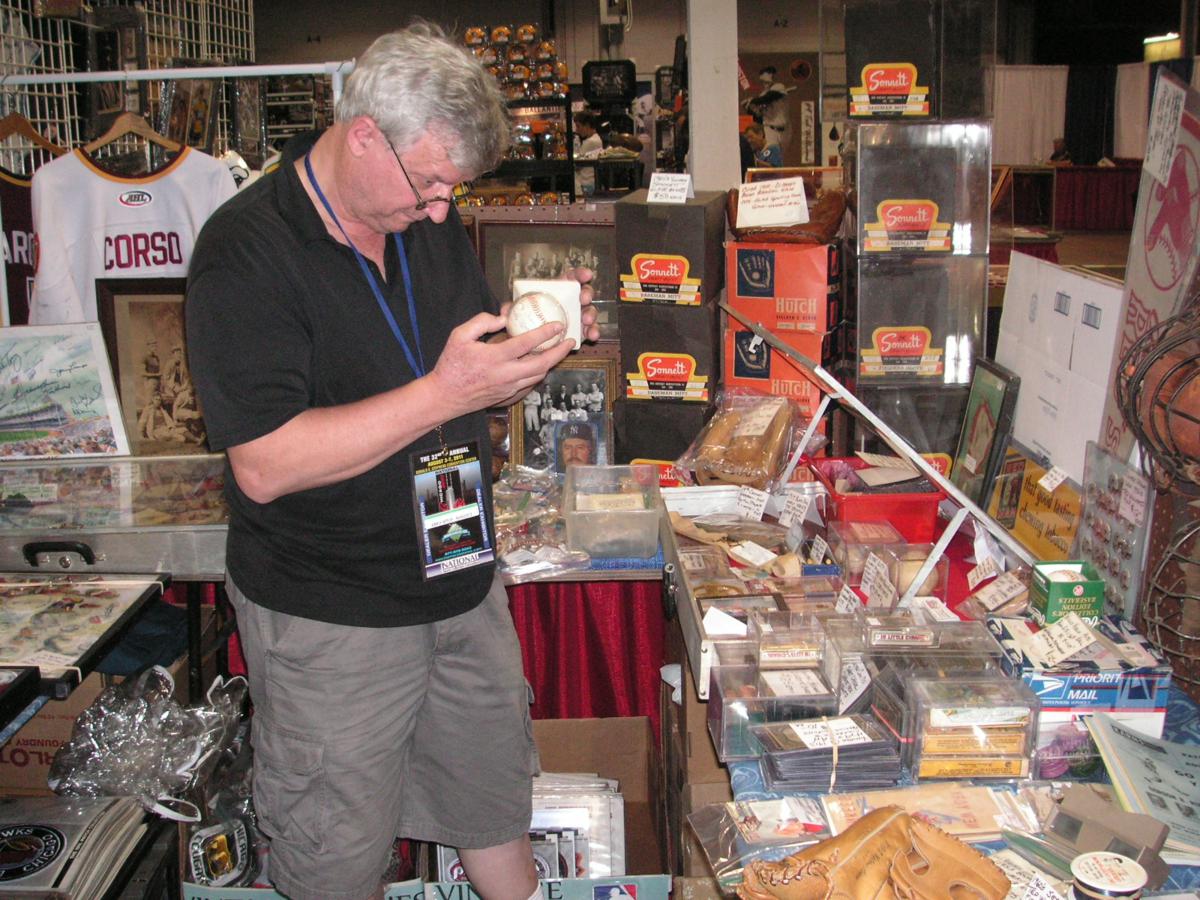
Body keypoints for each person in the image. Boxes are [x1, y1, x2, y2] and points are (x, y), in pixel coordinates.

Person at [185, 23, 599, 900]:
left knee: (494, 809)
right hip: (332, 610)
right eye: (433, 182)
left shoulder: (422, 224)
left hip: (460, 576)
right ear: (364, 135)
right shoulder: (246, 250)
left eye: (456, 188)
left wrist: (527, 356)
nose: (444, 209)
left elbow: (463, 379)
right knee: (335, 857)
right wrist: (448, 392)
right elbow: (265, 463)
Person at [573, 110, 603, 197]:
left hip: (585, 183)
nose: (577, 130)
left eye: (578, 126)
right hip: (590, 182)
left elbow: (577, 164)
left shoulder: (590, 142)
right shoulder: (596, 139)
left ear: (587, 125)